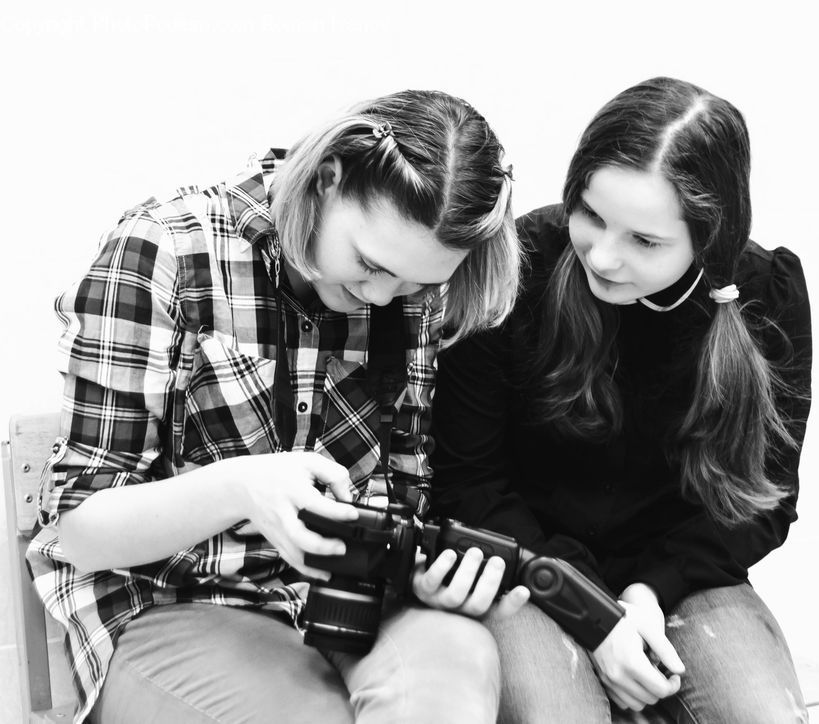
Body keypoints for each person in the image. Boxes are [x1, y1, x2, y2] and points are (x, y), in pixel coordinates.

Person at [28, 89, 522, 724]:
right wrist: (240, 487)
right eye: (368, 264)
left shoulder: (406, 292)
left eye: (416, 284)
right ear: (327, 178)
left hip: (351, 597)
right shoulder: (165, 249)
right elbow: (79, 532)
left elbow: (405, 494)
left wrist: (422, 573)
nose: (381, 296)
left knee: (456, 664)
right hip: (172, 601)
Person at [429, 77, 813, 724]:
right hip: (528, 564)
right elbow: (468, 484)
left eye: (645, 241)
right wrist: (590, 609)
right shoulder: (512, 269)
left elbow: (762, 502)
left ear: (708, 240)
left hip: (684, 578)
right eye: (591, 214)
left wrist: (644, 595)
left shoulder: (764, 295)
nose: (603, 256)